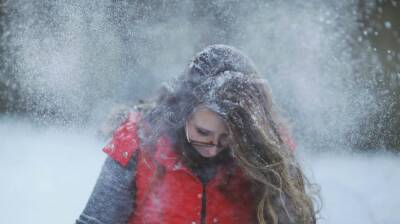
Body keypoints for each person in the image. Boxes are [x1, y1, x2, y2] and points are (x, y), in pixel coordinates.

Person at [76, 45, 318, 224]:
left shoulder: (268, 154)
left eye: (228, 138)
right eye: (203, 132)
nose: (213, 148)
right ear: (183, 111)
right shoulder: (138, 143)